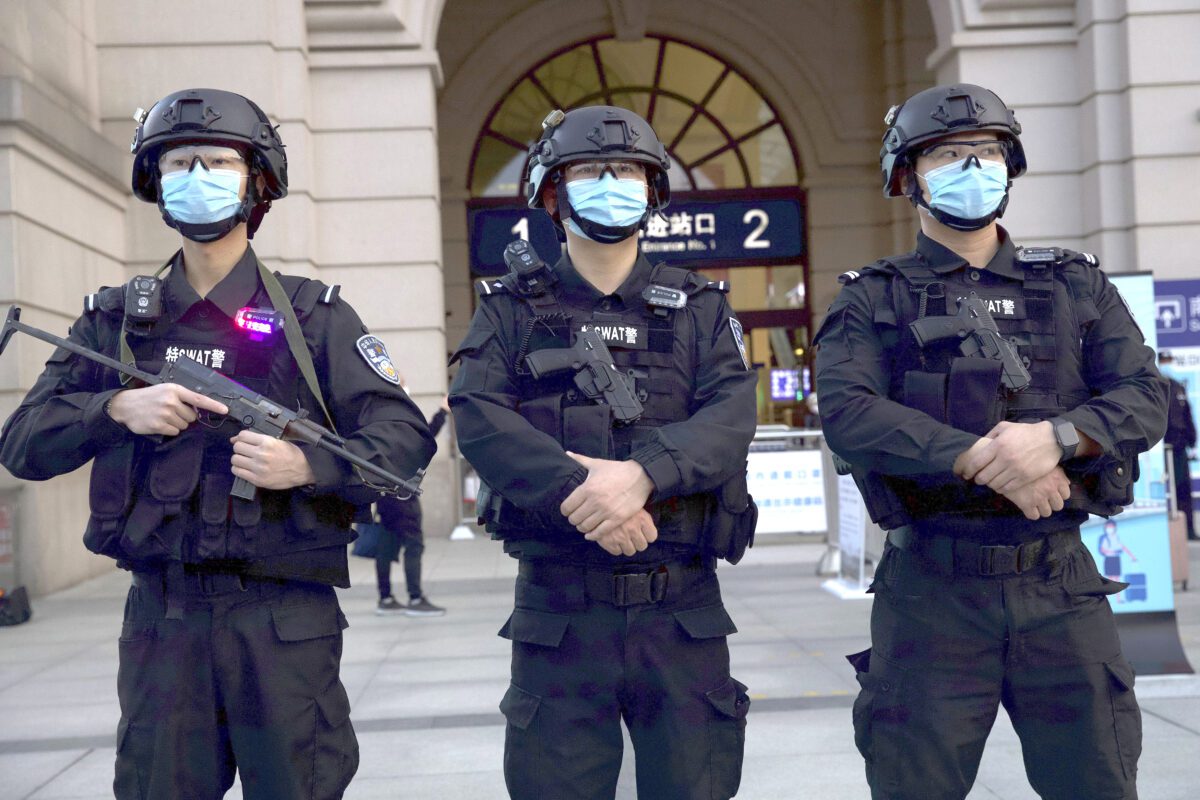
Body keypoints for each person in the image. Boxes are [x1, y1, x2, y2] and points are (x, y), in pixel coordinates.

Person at [0, 88, 436, 800]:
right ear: (155, 181)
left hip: (284, 620)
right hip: (163, 619)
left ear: (257, 181)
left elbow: (403, 437)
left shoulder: (314, 318)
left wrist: (306, 464)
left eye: (218, 161)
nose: (196, 176)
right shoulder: (114, 321)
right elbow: (21, 443)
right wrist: (115, 408)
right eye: (179, 163)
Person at [815, 83, 1168, 800]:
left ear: (1011, 167)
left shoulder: (1074, 285)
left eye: (987, 151)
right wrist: (983, 458)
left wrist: (1057, 439)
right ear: (908, 177)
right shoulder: (872, 296)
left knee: (1098, 782)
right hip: (931, 592)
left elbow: (1144, 396)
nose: (973, 167)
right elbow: (849, 413)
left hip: (1060, 585)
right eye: (948, 154)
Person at [449, 105, 758, 799]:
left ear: (653, 191)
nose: (611, 183)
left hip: (681, 608)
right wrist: (582, 492)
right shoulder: (508, 309)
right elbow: (478, 414)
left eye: (627, 171)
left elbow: (732, 415)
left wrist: (642, 476)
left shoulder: (700, 307)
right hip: (559, 610)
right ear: (552, 193)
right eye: (590, 170)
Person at [376, 392, 449, 616]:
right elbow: (426, 436)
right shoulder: (400, 422)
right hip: (403, 497)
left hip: (383, 497)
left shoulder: (377, 424)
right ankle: (415, 599)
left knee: (385, 547)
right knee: (413, 545)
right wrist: (442, 411)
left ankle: (385, 598)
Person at [1158, 350, 1198, 539]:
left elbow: (1187, 415)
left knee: (1183, 488)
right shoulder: (1156, 386)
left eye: (1169, 360)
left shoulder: (1178, 387)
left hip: (1180, 447)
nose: (1168, 364)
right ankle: (1165, 534)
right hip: (1162, 449)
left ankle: (1189, 530)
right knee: (1162, 491)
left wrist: (1192, 440)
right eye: (1164, 360)